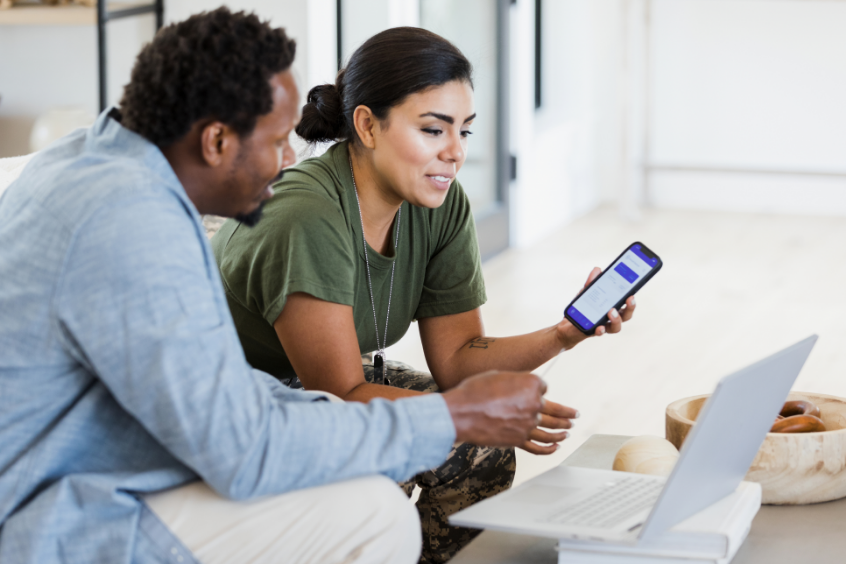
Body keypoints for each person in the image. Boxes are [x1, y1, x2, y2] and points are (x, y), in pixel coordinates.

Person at [0, 9, 550, 564]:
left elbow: (231, 396)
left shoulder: (95, 159)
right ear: (216, 140)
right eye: (274, 142)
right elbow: (242, 448)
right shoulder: (131, 225)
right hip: (49, 504)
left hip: (98, 453)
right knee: (372, 514)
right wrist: (448, 418)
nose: (288, 159)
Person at [211, 27, 636, 563]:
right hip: (243, 397)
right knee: (382, 472)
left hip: (329, 382)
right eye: (434, 130)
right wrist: (471, 413)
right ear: (367, 125)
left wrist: (564, 333)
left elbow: (460, 361)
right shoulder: (307, 217)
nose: (455, 153)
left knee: (481, 448)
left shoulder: (440, 203)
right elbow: (340, 393)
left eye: (465, 131)